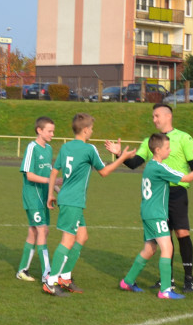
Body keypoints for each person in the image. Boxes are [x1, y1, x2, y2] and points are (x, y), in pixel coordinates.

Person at [44, 113, 135, 296]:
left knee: (82, 236)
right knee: (68, 240)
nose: (92, 131)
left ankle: (65, 277)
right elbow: (104, 172)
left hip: (70, 200)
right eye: (91, 128)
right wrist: (122, 158)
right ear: (85, 130)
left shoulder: (65, 147)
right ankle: (51, 281)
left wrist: (49, 194)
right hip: (73, 201)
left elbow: (54, 172)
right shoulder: (89, 149)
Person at [118, 133, 193, 299]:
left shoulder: (150, 166)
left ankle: (127, 281)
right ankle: (165, 290)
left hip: (148, 212)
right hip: (156, 214)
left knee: (149, 249)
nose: (170, 150)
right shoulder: (160, 167)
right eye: (167, 147)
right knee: (167, 248)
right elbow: (187, 177)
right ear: (157, 150)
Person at [16, 117, 55, 282]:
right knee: (42, 230)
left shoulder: (49, 149)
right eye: (50, 131)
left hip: (44, 197)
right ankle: (47, 273)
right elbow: (29, 175)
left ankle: (22, 270)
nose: (53, 134)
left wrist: (56, 189)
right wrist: (50, 182)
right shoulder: (32, 148)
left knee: (34, 231)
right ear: (39, 130)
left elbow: (49, 174)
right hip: (33, 197)